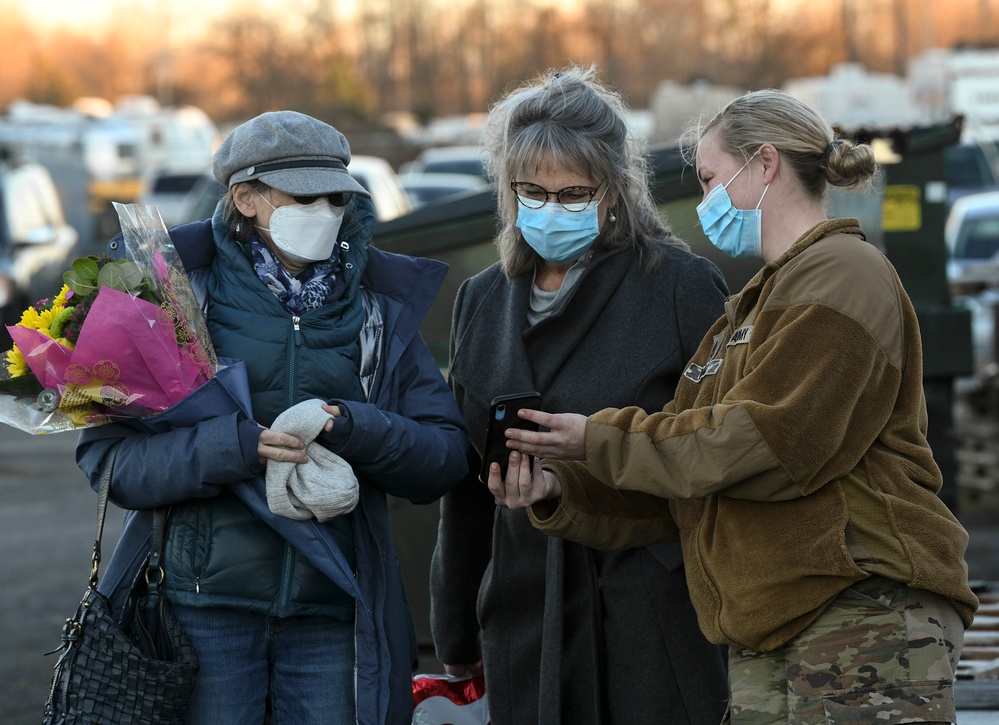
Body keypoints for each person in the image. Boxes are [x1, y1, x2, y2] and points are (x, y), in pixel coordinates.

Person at [495, 89, 981, 724]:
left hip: (860, 608)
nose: (703, 202)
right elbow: (689, 486)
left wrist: (597, 439)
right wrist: (563, 487)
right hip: (774, 626)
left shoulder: (842, 274)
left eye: (709, 178)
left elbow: (768, 443)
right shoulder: (749, 310)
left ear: (766, 164)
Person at [75, 111, 469, 725]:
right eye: (306, 196)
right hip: (202, 615)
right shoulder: (172, 298)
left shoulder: (376, 312)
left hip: (334, 612)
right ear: (246, 199)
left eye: (338, 196)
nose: (329, 210)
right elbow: (111, 462)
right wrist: (233, 447)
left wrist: (352, 425)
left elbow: (443, 456)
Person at [429, 65, 730, 724]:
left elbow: (719, 449)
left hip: (651, 611)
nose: (550, 207)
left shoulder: (679, 287)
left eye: (572, 193)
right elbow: (464, 483)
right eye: (532, 191)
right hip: (524, 607)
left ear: (613, 190)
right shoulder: (481, 300)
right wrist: (454, 630)